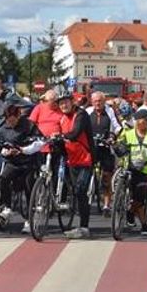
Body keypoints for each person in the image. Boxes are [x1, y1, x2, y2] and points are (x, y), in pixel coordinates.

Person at [0, 97, 43, 233]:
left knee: (28, 189)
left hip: (28, 163)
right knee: (3, 178)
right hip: (12, 162)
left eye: (13, 120)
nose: (10, 123)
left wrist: (23, 150)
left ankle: (28, 220)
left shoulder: (29, 125)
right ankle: (7, 207)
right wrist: (5, 152)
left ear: (18, 116)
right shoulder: (3, 129)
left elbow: (38, 143)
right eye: (8, 120)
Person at [58, 90, 94, 238]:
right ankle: (77, 225)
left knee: (80, 191)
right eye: (60, 103)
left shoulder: (81, 115)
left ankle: (84, 227)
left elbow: (76, 133)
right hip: (72, 160)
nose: (63, 105)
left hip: (86, 159)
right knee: (76, 193)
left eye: (66, 102)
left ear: (72, 101)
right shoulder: (62, 119)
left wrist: (61, 136)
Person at [120, 108, 147, 236]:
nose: (146, 123)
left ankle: (132, 213)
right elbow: (119, 145)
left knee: (139, 197)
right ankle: (143, 223)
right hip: (131, 167)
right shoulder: (128, 133)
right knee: (136, 197)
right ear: (137, 122)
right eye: (143, 121)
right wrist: (119, 146)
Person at [87, 91, 121, 214]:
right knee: (87, 172)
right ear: (92, 102)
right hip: (91, 147)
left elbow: (117, 127)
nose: (97, 103)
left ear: (104, 101)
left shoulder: (110, 111)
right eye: (95, 101)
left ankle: (106, 204)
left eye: (100, 101)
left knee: (107, 176)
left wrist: (112, 137)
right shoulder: (88, 112)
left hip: (106, 146)